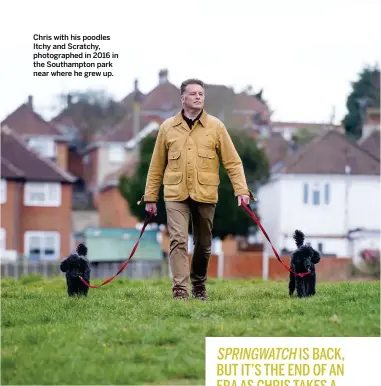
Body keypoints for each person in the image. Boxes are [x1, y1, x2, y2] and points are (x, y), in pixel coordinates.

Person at [141, 78, 255, 300]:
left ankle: (199, 286)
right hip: (175, 193)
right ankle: (180, 290)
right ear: (183, 98)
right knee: (178, 240)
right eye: (193, 94)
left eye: (201, 94)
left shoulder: (216, 127)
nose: (198, 97)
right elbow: (156, 166)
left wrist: (241, 190)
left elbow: (232, 162)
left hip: (205, 193)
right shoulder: (167, 128)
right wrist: (150, 197)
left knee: (203, 244)